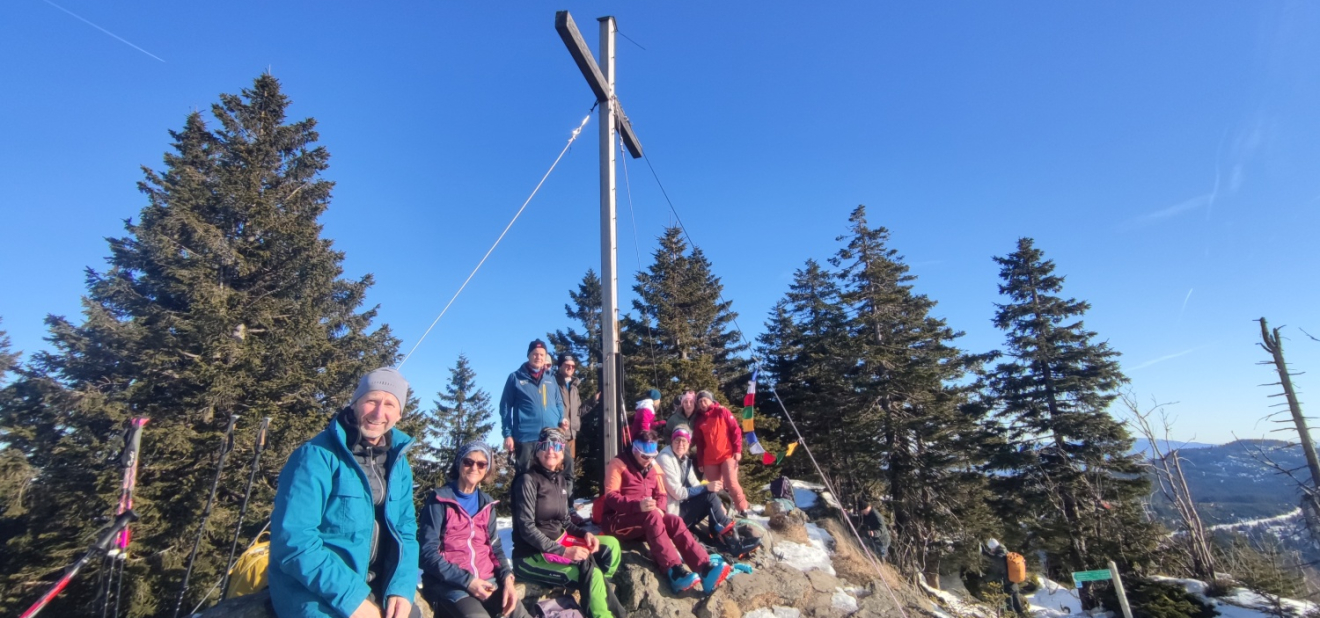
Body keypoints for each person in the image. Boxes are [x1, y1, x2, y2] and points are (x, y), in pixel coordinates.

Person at [269, 367, 421, 618]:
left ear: (399, 415)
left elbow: (405, 529)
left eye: (390, 404)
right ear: (354, 404)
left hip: (377, 584)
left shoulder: (398, 462)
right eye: (371, 400)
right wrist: (352, 599)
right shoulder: (317, 455)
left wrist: (402, 588)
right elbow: (295, 541)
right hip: (316, 591)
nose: (378, 413)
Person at [512, 428, 625, 618]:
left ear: (562, 452)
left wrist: (584, 534)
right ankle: (599, 609)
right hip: (531, 555)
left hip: (560, 541)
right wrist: (564, 552)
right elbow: (526, 529)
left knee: (611, 546)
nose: (551, 451)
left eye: (556, 446)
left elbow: (565, 520)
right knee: (592, 573)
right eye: (546, 446)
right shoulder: (527, 480)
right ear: (538, 450)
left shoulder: (560, 480)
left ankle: (594, 594)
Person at [601, 430, 733, 595]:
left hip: (645, 519)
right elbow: (611, 497)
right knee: (653, 516)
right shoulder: (618, 464)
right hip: (617, 520)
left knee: (674, 521)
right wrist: (638, 506)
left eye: (652, 456)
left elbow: (661, 494)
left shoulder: (653, 466)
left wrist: (662, 510)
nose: (648, 460)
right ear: (634, 449)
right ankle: (674, 571)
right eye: (644, 456)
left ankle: (705, 569)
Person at [419, 442, 530, 618]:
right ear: (459, 464)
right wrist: (468, 581)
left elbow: (495, 548)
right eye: (468, 462)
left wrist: (507, 578)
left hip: (487, 580)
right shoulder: (440, 500)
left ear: (487, 469)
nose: (474, 468)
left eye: (481, 464)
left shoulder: (486, 503)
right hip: (450, 585)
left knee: (520, 614)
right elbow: (427, 553)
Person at [655, 425, 736, 538]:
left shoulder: (684, 460)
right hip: (671, 513)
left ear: (689, 443)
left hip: (680, 507)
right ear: (672, 441)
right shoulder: (665, 459)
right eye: (677, 440)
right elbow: (678, 493)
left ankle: (718, 533)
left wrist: (717, 502)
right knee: (708, 495)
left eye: (684, 441)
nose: (680, 444)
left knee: (711, 495)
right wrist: (706, 488)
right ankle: (728, 535)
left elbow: (695, 484)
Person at [500, 340, 564, 473]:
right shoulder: (515, 378)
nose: (538, 357)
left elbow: (558, 402)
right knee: (525, 477)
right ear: (529, 355)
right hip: (526, 437)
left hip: (550, 438)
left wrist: (561, 420)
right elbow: (505, 407)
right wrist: (508, 434)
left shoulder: (550, 378)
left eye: (542, 354)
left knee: (550, 478)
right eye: (535, 354)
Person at [690, 391, 750, 514]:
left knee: (731, 483)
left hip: (727, 454)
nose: (702, 403)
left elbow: (736, 431)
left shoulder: (722, 411)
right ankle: (721, 513)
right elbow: (700, 443)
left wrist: (738, 450)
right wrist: (701, 462)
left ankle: (743, 509)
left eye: (705, 400)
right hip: (709, 459)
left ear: (711, 400)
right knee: (713, 488)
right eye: (700, 401)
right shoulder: (699, 420)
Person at [554, 353, 581, 496]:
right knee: (557, 469)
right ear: (560, 366)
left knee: (569, 471)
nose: (570, 368)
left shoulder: (575, 387)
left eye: (573, 366)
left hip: (572, 436)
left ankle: (568, 505)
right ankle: (557, 505)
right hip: (558, 434)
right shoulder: (554, 384)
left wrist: (594, 400)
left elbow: (579, 411)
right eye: (567, 365)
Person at [982, 538, 1027, 617]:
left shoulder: (998, 557)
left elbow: (994, 573)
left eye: (990, 549)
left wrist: (983, 580)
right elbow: (995, 557)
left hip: (1007, 585)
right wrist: (986, 553)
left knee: (1009, 608)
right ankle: (1023, 616)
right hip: (1014, 582)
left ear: (992, 548)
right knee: (1018, 606)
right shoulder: (1006, 552)